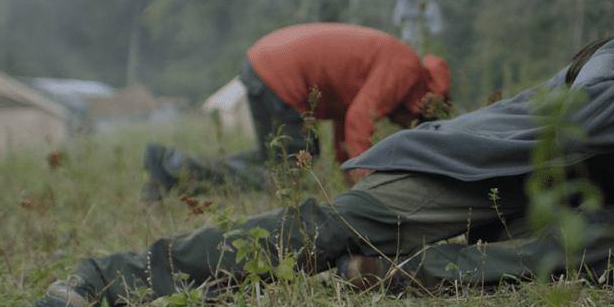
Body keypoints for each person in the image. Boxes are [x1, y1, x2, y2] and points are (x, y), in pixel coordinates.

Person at [37, 20, 614, 307]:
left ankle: (414, 275)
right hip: (475, 176)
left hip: (538, 229)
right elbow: (587, 117)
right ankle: (109, 278)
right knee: (318, 234)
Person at [142, 23, 452, 199]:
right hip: (280, 72)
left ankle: (173, 168)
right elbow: (361, 122)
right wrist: (370, 188)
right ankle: (175, 166)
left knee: (278, 158)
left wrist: (351, 175)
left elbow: (346, 135)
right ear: (421, 109)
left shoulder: (397, 67)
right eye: (412, 123)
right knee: (290, 174)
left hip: (264, 62)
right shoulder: (405, 69)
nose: (401, 125)